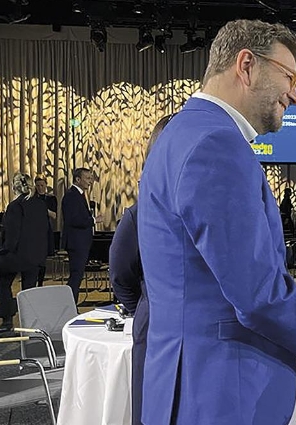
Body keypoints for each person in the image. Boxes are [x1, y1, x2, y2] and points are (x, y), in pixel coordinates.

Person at [137, 19, 296, 425]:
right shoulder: (216, 145)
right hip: (222, 393)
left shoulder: (182, 133)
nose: (295, 96)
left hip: (188, 385)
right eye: (290, 78)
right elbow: (257, 294)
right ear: (246, 65)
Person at [110, 114, 172, 425]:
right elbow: (121, 275)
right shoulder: (138, 215)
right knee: (151, 410)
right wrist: (144, 308)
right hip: (154, 327)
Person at [0, 173, 48, 336]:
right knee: (28, 290)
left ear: (15, 187)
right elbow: (45, 231)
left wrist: (2, 250)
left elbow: (12, 235)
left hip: (16, 255)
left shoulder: (15, 206)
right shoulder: (41, 205)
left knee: (3, 284)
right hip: (35, 254)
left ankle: (7, 323)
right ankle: (30, 324)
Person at [61, 167, 102, 303]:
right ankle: (70, 306)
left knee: (77, 276)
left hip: (81, 243)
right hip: (76, 243)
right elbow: (73, 220)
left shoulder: (79, 195)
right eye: (88, 178)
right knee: (76, 276)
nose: (90, 181)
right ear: (78, 179)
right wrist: (94, 220)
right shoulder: (71, 196)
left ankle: (71, 305)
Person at [34, 176, 57, 286]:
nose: (40, 188)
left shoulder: (50, 198)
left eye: (42, 185)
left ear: (46, 185)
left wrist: (42, 208)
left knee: (43, 259)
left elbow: (54, 215)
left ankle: (40, 283)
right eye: (37, 186)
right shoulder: (32, 199)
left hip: (45, 231)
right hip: (34, 231)